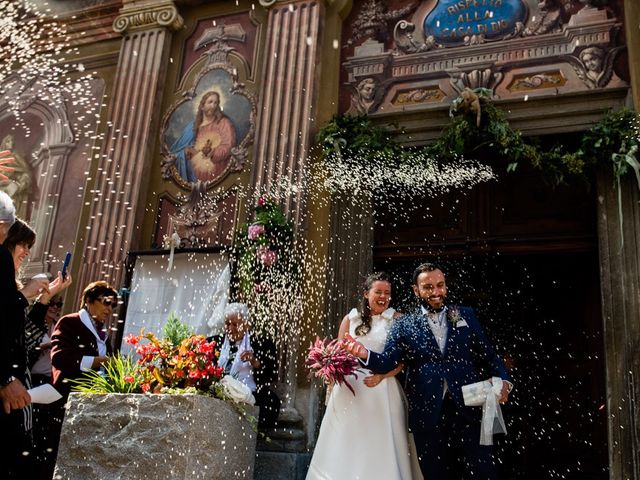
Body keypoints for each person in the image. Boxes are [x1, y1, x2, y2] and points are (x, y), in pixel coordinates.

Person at [344, 263, 513, 480]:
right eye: (428, 287)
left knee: (482, 472)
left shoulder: (464, 315)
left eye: (440, 285)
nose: (436, 292)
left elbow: (488, 355)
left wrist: (504, 381)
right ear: (416, 290)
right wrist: (363, 353)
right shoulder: (404, 323)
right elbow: (388, 362)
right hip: (427, 414)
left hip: (469, 409)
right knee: (435, 475)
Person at [307, 272, 423, 480]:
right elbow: (338, 353)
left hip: (382, 390)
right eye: (378, 291)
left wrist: (382, 376)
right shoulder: (350, 319)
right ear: (366, 294)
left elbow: (404, 360)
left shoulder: (397, 319)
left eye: (387, 293)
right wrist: (331, 371)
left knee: (380, 443)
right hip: (350, 392)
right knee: (346, 442)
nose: (383, 297)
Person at [0, 202, 50, 478]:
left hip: (19, 400)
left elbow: (24, 342)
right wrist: (5, 379)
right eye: (23, 244)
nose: (28, 252)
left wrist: (43, 299)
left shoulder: (12, 290)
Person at [209, 303, 281, 428]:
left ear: (246, 325)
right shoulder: (213, 342)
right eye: (227, 324)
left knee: (271, 402)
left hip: (249, 392)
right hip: (218, 391)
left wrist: (255, 362)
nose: (230, 329)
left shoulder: (263, 344)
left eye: (235, 324)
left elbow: (271, 375)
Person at [171, 90, 237, 183]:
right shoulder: (193, 127)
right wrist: (187, 151)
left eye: (216, 103)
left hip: (216, 178)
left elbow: (228, 146)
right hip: (192, 177)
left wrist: (212, 152)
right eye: (210, 102)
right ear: (202, 106)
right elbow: (179, 151)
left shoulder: (224, 123)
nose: (213, 106)